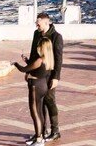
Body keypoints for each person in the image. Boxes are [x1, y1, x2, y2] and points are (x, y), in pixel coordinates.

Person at [13, 10, 63, 146]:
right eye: (36, 23)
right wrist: (29, 66)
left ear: (46, 22)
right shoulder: (36, 34)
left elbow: (58, 59)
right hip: (37, 73)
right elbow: (35, 54)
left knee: (49, 101)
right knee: (39, 104)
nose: (37, 26)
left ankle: (55, 130)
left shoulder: (56, 37)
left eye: (39, 23)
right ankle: (41, 132)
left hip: (49, 75)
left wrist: (56, 77)